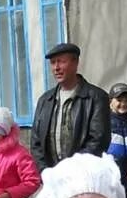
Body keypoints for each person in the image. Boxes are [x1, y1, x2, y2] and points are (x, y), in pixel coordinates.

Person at [29, 42, 110, 170]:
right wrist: (46, 172)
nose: (56, 68)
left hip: (84, 176)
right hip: (52, 179)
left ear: (75, 63)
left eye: (61, 62)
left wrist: (71, 170)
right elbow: (36, 143)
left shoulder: (96, 98)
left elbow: (98, 141)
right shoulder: (45, 100)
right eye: (53, 62)